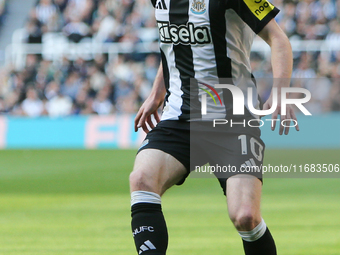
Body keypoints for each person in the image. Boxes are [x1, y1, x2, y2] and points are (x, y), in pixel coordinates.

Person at [129, 0, 298, 254]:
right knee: (142, 179)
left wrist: (281, 90)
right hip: (180, 117)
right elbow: (174, 45)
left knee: (245, 217)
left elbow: (278, 38)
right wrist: (157, 91)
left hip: (234, 121)